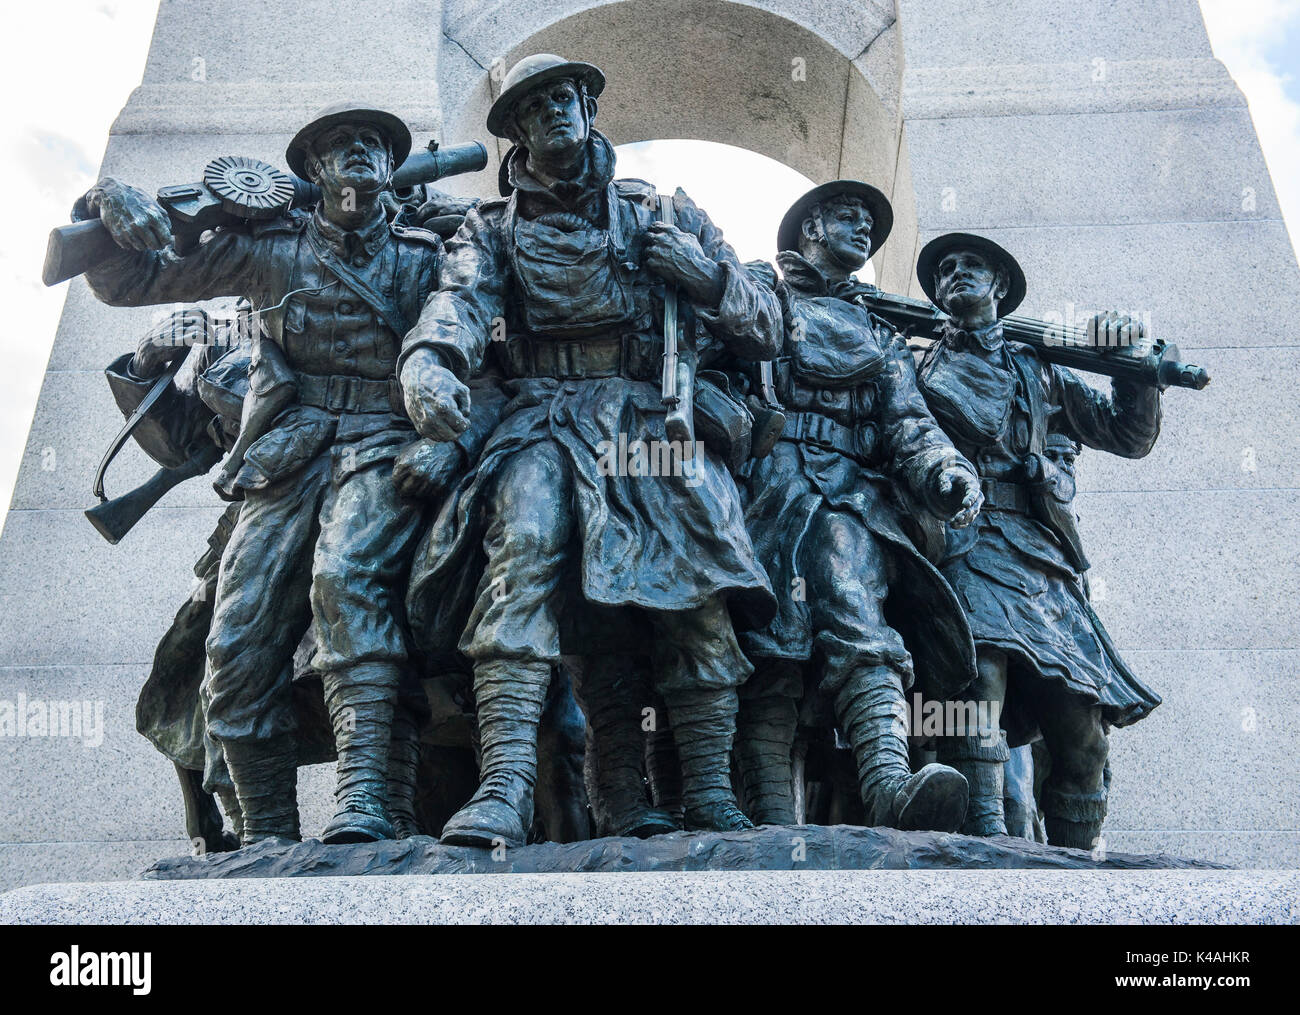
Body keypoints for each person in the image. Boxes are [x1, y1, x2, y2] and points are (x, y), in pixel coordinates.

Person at [399, 54, 781, 847]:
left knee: (694, 588)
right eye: (534, 108)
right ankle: (503, 787)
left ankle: (707, 794)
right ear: (517, 134)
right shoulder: (491, 229)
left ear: (589, 106)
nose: (555, 114)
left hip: (652, 418)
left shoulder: (664, 211)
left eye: (565, 99)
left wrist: (708, 279)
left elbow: (769, 329)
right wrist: (431, 363)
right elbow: (458, 303)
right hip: (540, 417)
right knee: (527, 551)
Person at [78, 101, 444, 844]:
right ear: (310, 171)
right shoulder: (267, 248)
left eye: (376, 144)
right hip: (286, 460)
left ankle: (366, 807)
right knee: (233, 642)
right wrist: (102, 204)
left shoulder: (428, 255)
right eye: (342, 145)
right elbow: (128, 282)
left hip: (383, 442)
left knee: (347, 586)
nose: (362, 155)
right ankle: (267, 838)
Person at [732, 181, 983, 830]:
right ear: (809, 228)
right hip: (765, 488)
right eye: (849, 217)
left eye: (870, 224)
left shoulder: (880, 332)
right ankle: (767, 819)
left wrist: (945, 469)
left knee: (857, 614)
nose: (864, 230)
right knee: (771, 648)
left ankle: (891, 790)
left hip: (846, 495)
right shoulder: (761, 293)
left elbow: (910, 423)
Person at [914, 232, 1163, 848]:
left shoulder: (1038, 371)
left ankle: (1078, 876)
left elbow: (1127, 436)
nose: (957, 273)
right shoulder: (917, 366)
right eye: (946, 268)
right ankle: (986, 844)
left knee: (1083, 731)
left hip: (1040, 557)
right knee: (976, 691)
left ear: (1001, 286)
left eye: (974, 265)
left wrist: (1139, 371)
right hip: (960, 542)